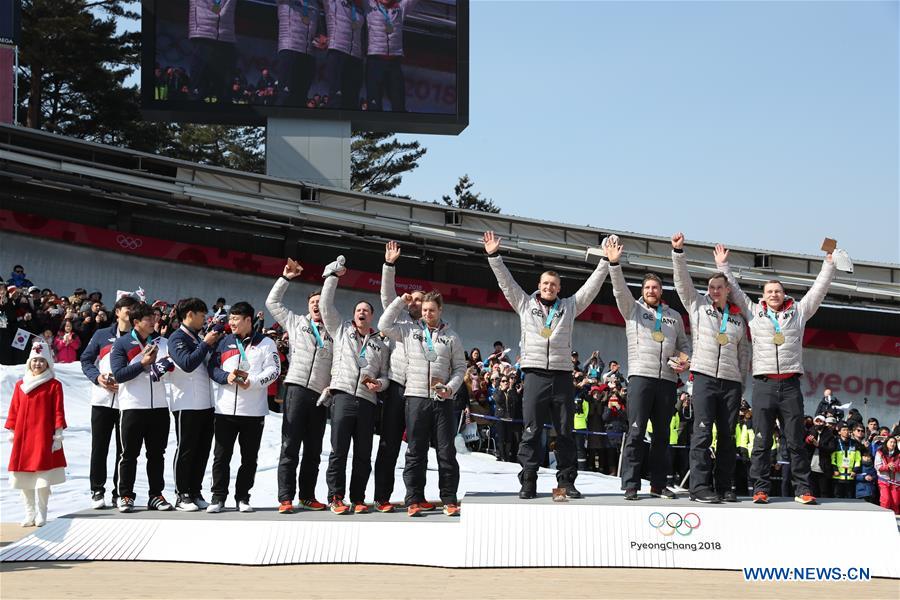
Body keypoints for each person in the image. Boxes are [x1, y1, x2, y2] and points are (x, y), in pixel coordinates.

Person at [483, 230, 609, 499]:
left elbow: (591, 288)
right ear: (539, 285)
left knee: (565, 432)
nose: (549, 287)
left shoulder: (569, 307)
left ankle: (565, 483)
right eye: (545, 283)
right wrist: (494, 256)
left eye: (553, 284)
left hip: (562, 376)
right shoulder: (525, 304)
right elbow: (506, 283)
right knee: (531, 430)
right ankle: (528, 480)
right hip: (534, 374)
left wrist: (605, 262)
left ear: (559, 288)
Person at [716, 243, 835, 505]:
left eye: (778, 291)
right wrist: (723, 266)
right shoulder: (754, 313)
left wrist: (828, 264)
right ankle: (760, 489)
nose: (774, 295)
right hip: (764, 385)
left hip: (791, 386)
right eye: (769, 291)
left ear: (784, 294)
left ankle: (803, 489)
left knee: (795, 441)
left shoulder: (799, 313)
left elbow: (818, 291)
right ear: (763, 295)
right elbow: (734, 290)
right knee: (760, 441)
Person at [606, 239, 691, 501]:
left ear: (661, 290)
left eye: (655, 287)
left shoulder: (673, 316)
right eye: (647, 287)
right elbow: (620, 290)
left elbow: (685, 344)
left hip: (667, 381)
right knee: (636, 430)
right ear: (642, 291)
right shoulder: (632, 309)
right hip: (641, 378)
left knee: (662, 436)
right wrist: (614, 264)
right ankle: (631, 484)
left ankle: (657, 484)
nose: (651, 290)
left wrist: (684, 360)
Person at [670, 233, 750, 503]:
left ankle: (725, 486)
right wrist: (678, 253)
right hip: (704, 378)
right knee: (702, 432)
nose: (714, 291)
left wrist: (741, 386)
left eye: (719, 287)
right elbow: (682, 283)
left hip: (731, 384)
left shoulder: (738, 320)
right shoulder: (698, 305)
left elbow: (744, 356)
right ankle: (700, 487)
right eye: (711, 287)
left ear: (728, 290)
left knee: (727, 436)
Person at [379, 289, 466, 516]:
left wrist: (450, 388)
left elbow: (460, 368)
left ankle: (448, 498)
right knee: (415, 451)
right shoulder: (408, 330)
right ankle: (414, 499)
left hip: (442, 399)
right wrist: (400, 301)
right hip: (416, 397)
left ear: (440, 311)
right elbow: (383, 325)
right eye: (425, 310)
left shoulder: (452, 337)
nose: (428, 313)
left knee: (446, 452)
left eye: (432, 310)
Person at [319, 256, 389, 514]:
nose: (362, 313)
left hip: (368, 402)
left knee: (362, 453)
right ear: (353, 315)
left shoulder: (379, 344)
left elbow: (385, 375)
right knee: (339, 451)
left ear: (372, 317)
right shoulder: (340, 329)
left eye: (366, 311)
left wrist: (378, 385)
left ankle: (358, 498)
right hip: (344, 396)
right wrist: (333, 277)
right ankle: (336, 497)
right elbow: (326, 305)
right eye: (358, 310)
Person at [266, 258, 335, 514]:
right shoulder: (296, 322)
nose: (316, 305)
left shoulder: (334, 332)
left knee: (314, 450)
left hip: (319, 395)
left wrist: (331, 387)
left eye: (320, 303)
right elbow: (272, 303)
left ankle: (307, 496)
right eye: (313, 303)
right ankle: (286, 497)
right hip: (295, 389)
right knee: (290, 445)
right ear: (308, 306)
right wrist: (285, 278)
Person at [207, 302, 281, 513]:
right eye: (230, 319)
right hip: (225, 410)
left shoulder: (266, 343)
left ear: (249, 320)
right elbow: (212, 368)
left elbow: (274, 370)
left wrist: (254, 382)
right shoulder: (223, 342)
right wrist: (226, 377)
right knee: (221, 456)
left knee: (249, 458)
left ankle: (243, 497)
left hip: (253, 411)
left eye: (236, 319)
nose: (231, 323)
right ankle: (218, 497)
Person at [374, 241, 424, 512]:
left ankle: (414, 496)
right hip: (395, 386)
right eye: (412, 299)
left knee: (416, 446)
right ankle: (382, 496)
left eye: (420, 299)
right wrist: (389, 265)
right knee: (389, 444)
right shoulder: (397, 321)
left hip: (418, 390)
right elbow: (386, 296)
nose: (415, 302)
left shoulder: (432, 329)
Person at [110, 302, 174, 513]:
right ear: (136, 322)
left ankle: (155, 494)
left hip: (160, 407)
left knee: (157, 454)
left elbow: (172, 365)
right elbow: (119, 375)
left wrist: (166, 365)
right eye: (149, 319)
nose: (154, 321)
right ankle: (126, 494)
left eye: (154, 317)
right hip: (132, 407)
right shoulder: (122, 344)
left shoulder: (162, 342)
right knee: (129, 454)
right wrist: (143, 364)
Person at [80, 294, 138, 509]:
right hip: (102, 399)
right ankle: (97, 490)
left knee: (124, 450)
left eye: (134, 309)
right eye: (127, 309)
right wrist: (98, 378)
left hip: (128, 401)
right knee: (99, 447)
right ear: (117, 312)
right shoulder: (102, 334)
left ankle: (119, 492)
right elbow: (86, 359)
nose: (131, 313)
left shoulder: (138, 336)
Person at [166, 297, 223, 512]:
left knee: (202, 450)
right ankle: (182, 495)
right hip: (186, 402)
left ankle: (195, 491)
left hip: (206, 403)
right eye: (201, 315)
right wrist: (206, 343)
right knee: (186, 449)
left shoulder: (197, 336)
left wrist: (209, 343)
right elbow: (187, 364)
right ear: (189, 314)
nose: (204, 319)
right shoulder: (176, 337)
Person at [5, 341, 66, 527]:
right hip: (23, 438)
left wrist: (57, 434)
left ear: (48, 363)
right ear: (29, 362)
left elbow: (58, 411)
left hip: (42, 436)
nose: (37, 364)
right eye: (34, 361)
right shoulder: (20, 385)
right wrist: (13, 431)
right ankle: (29, 513)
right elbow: (14, 409)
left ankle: (42, 512)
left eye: (41, 361)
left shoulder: (54, 385)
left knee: (42, 477)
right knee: (24, 478)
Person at [277, 0, 326, 106]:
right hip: (289, 49)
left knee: (301, 98)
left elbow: (318, 33)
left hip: (309, 55)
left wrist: (321, 41)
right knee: (285, 96)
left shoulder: (315, 5)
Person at [188, 0, 237, 102]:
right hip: (203, 35)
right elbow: (216, 9)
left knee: (224, 92)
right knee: (198, 89)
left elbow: (218, 10)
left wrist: (220, 12)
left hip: (226, 38)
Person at [324, 0, 367, 109]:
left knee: (352, 100)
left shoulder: (361, 7)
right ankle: (333, 125)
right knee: (336, 97)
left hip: (356, 56)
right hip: (338, 51)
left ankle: (349, 125)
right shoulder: (333, 2)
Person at [805, 415, 836, 499]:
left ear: (824, 423)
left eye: (821, 421)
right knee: (812, 490)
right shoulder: (810, 432)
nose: (819, 423)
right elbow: (803, 447)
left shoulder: (829, 434)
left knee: (824, 491)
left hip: (823, 467)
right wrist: (808, 442)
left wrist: (818, 445)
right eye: (817, 421)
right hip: (811, 465)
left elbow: (831, 448)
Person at [830, 422, 862, 499]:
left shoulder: (854, 443)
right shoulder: (835, 442)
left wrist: (855, 470)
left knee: (850, 497)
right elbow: (832, 458)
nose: (846, 432)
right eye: (844, 430)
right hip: (838, 476)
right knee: (837, 497)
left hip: (850, 476)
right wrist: (835, 469)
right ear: (839, 432)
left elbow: (858, 459)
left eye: (847, 430)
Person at [874, 436, 899, 514]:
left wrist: (895, 467)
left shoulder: (899, 454)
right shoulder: (880, 452)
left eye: (894, 442)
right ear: (886, 443)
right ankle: (883, 517)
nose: (893, 444)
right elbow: (877, 466)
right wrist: (887, 467)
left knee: (896, 502)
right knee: (886, 500)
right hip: (883, 481)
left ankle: (896, 521)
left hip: (896, 482)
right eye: (891, 442)